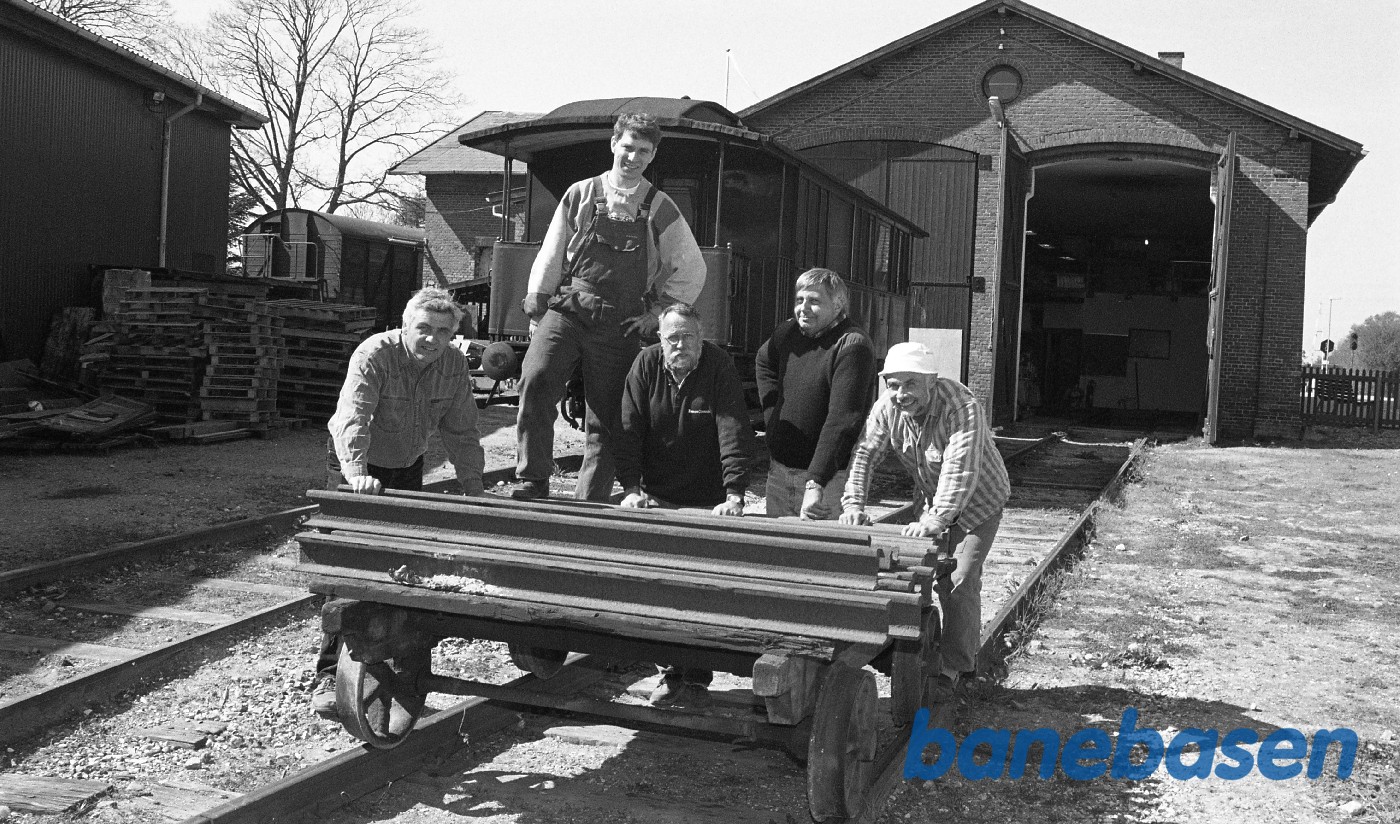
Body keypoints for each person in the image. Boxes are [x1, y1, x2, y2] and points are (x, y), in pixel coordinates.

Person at [509, 112, 706, 502]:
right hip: (570, 308)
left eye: (643, 152)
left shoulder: (660, 206)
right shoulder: (580, 193)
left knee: (609, 417)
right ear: (614, 144)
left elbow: (692, 268)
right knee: (536, 378)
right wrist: (537, 302)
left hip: (621, 320)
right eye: (628, 147)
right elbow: (552, 252)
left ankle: (590, 500)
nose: (633, 157)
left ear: (652, 157)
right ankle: (533, 477)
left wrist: (657, 314)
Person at [312, 286, 486, 718]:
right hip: (360, 462)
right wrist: (355, 473)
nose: (431, 339)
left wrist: (474, 487)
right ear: (405, 326)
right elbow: (354, 415)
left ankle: (398, 667)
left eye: (442, 332)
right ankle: (328, 673)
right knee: (347, 566)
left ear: (453, 337)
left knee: (405, 563)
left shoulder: (453, 364)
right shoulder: (374, 354)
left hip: (407, 461)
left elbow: (461, 430)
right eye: (423, 328)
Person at [839, 341, 1010, 703]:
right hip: (932, 499)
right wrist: (854, 504)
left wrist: (937, 519)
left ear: (931, 381)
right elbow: (865, 453)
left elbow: (959, 468)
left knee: (959, 580)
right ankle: (916, 652)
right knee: (920, 576)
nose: (901, 394)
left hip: (979, 501)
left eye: (910, 384)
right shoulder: (887, 408)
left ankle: (957, 668)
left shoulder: (961, 407)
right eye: (893, 385)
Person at [614, 302, 755, 707]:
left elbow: (733, 428)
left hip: (709, 498)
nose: (681, 345)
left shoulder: (718, 366)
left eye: (689, 337)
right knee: (658, 589)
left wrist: (735, 493)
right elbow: (628, 428)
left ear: (701, 336)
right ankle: (669, 671)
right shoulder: (645, 365)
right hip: (659, 494)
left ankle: (696, 677)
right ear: (660, 339)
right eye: (672, 337)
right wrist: (631, 488)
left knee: (702, 589)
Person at [755, 268, 876, 519]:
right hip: (780, 473)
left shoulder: (852, 344)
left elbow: (842, 421)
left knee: (819, 555)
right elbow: (763, 361)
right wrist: (773, 418)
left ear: (838, 303)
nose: (804, 308)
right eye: (799, 300)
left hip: (828, 483)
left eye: (814, 301)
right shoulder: (787, 333)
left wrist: (815, 483)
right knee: (773, 555)